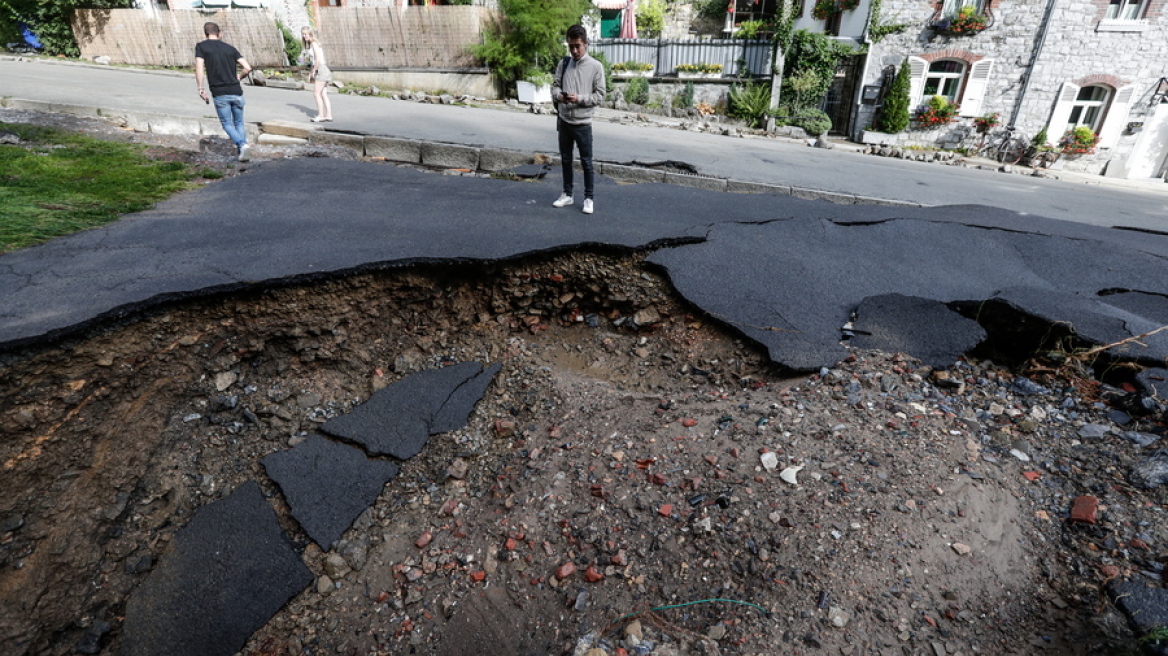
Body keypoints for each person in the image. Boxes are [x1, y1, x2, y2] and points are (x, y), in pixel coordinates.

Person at [551, 24, 605, 215]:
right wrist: (560, 97)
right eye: (571, 46)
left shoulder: (596, 66)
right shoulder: (564, 64)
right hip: (565, 121)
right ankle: (567, 194)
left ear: (586, 44)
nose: (574, 50)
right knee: (566, 160)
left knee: (586, 162)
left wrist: (579, 98)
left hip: (583, 124)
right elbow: (554, 87)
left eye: (577, 46)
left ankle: (589, 198)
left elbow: (600, 96)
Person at [195, 22, 254, 162]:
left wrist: (200, 88)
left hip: (219, 92)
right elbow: (247, 68)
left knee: (227, 123)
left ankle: (242, 144)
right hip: (236, 91)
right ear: (219, 33)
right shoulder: (230, 48)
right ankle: (243, 153)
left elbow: (199, 68)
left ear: (205, 34)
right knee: (239, 122)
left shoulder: (201, 47)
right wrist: (238, 77)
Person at [301, 28, 334, 123]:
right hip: (323, 69)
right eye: (303, 34)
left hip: (321, 69)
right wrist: (312, 70)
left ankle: (321, 115)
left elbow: (318, 60)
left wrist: (313, 72)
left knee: (316, 94)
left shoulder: (314, 44)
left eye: (306, 34)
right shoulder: (314, 44)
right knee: (323, 94)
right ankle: (328, 115)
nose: (304, 36)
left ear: (310, 34)